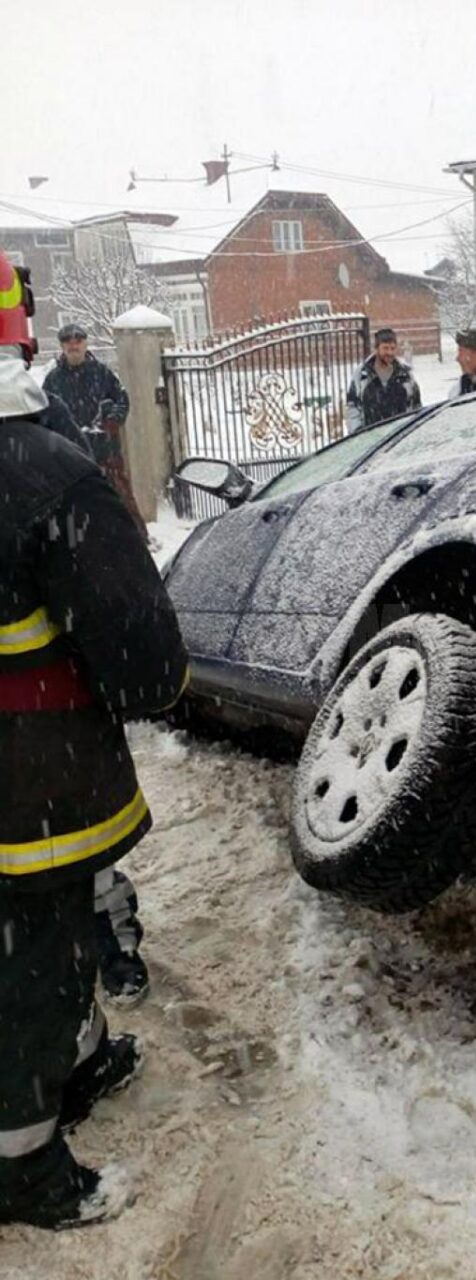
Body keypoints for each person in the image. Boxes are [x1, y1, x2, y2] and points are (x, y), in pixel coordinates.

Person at [0, 348, 188, 1228]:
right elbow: (140, 652)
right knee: (40, 950)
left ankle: (75, 1061)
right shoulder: (45, 475)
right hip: (32, 776)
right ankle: (24, 1162)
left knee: (42, 942)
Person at [0, 256, 150, 1005]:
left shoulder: (46, 421)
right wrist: (145, 678)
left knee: (75, 868)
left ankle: (109, 957)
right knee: (70, 856)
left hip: (46, 728)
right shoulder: (40, 438)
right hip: (50, 729)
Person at [42, 322, 147, 537]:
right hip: (69, 452)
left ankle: (137, 538)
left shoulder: (102, 373)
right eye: (68, 342)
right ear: (62, 347)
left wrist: (113, 421)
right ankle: (85, 541)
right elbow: (44, 410)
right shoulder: (53, 380)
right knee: (74, 501)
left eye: (78, 341)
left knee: (120, 496)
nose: (74, 346)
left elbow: (122, 400)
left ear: (85, 343)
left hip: (105, 449)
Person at [345, 326, 422, 432]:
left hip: (400, 437)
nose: (389, 353)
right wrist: (357, 431)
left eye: (392, 348)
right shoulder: (363, 375)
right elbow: (353, 406)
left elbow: (416, 406)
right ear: (376, 348)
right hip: (372, 438)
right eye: (385, 348)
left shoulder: (405, 375)